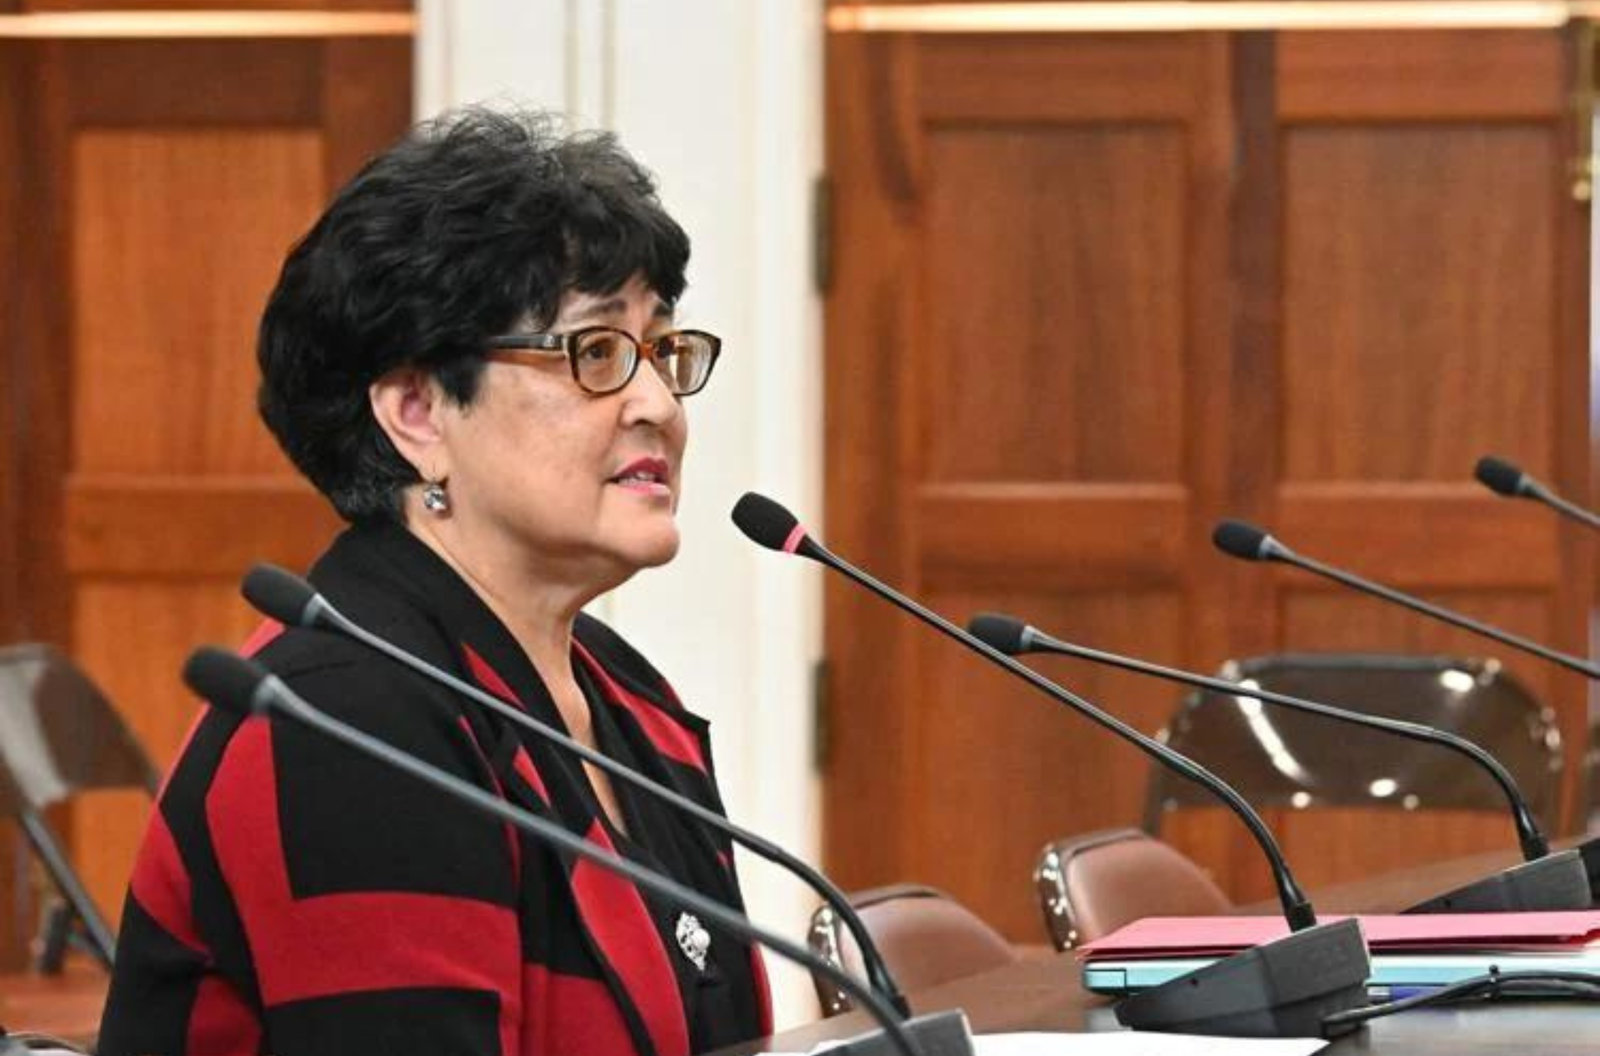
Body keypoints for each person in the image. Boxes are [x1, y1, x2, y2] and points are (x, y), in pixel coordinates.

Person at [98, 107, 769, 1056]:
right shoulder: (345, 726)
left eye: (661, 348)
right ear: (418, 411)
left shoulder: (629, 702)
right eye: (597, 353)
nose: (659, 404)